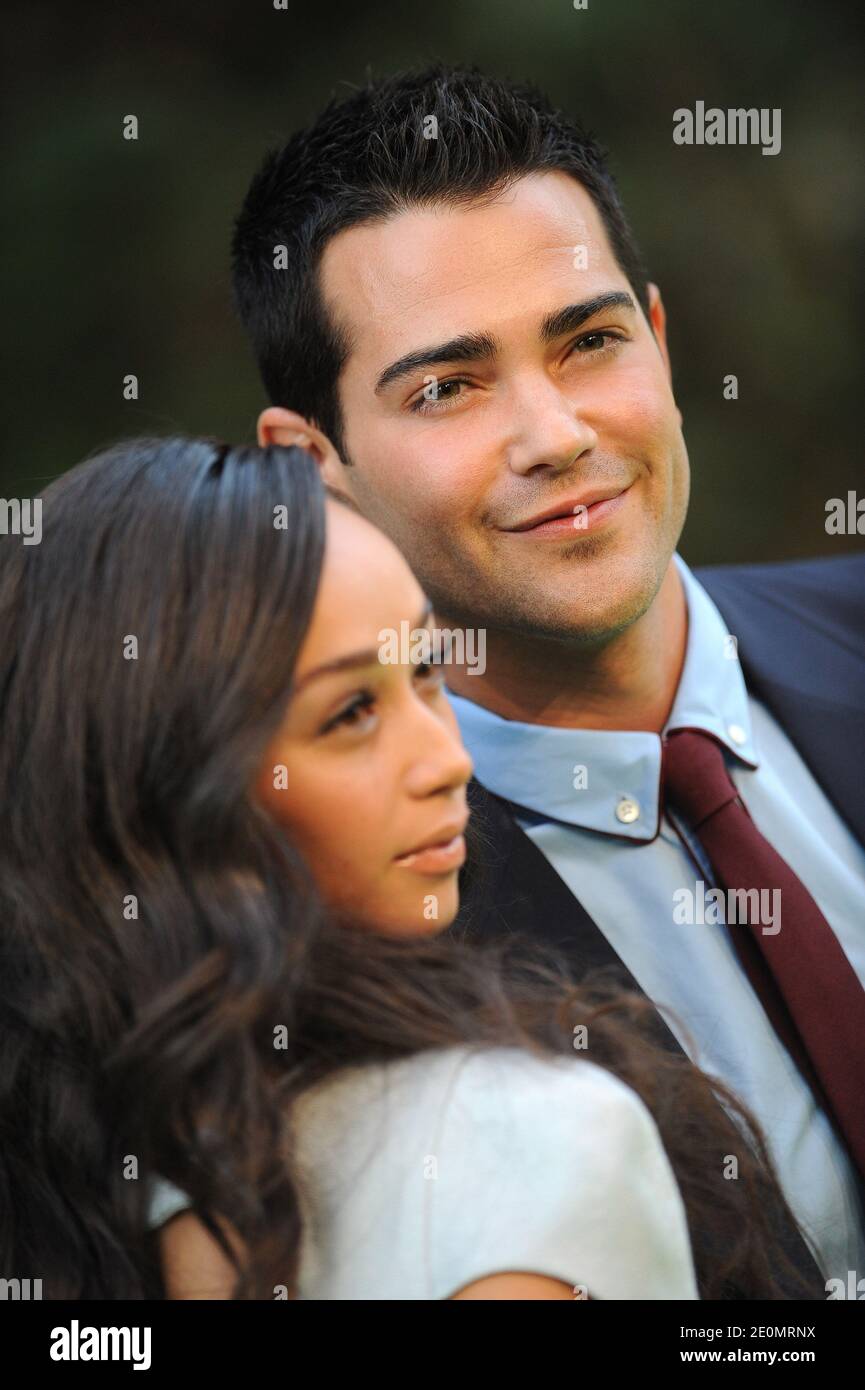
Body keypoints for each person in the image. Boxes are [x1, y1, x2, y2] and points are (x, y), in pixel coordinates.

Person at [232, 63, 865, 1290]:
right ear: (315, 468)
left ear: (661, 341)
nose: (554, 434)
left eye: (588, 341)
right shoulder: (323, 952)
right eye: (448, 386)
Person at [0, 437, 817, 1300]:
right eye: (351, 712)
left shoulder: (104, 1155)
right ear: (158, 784)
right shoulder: (525, 1144)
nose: (446, 759)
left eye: (426, 670)